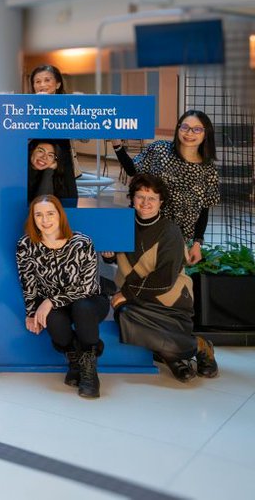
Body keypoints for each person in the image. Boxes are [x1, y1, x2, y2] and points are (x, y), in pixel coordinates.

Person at [103, 175, 218, 383]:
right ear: (132, 198)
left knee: (127, 313)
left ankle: (197, 346)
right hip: (138, 298)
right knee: (125, 316)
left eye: (152, 198)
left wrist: (126, 293)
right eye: (140, 196)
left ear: (161, 202)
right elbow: (115, 259)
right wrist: (108, 255)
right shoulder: (122, 223)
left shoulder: (170, 231)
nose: (145, 203)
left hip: (169, 300)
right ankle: (173, 355)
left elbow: (165, 279)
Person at [15, 196, 107, 398]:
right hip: (57, 307)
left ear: (60, 216)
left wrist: (50, 301)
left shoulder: (82, 242)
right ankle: (76, 361)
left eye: (50, 213)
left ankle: (90, 375)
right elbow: (28, 282)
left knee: (82, 308)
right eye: (38, 215)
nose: (45, 220)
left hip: (90, 301)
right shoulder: (26, 245)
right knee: (54, 321)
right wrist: (32, 312)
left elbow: (88, 287)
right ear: (33, 218)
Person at [110, 110, 220, 266]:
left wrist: (197, 243)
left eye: (197, 129)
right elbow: (132, 170)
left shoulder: (209, 169)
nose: (189, 133)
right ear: (178, 129)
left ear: (205, 133)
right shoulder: (160, 150)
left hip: (176, 239)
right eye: (185, 127)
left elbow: (204, 209)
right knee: (135, 273)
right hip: (144, 229)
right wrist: (116, 144)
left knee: (167, 279)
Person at [28, 64, 81, 179]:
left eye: (47, 80)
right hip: (35, 166)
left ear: (58, 84)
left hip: (63, 165)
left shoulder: (69, 106)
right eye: (37, 81)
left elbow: (85, 138)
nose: (42, 85)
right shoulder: (26, 108)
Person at [26, 139, 77, 207]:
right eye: (40, 151)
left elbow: (43, 205)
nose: (44, 157)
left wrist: (48, 171)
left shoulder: (56, 176)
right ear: (31, 152)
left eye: (50, 155)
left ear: (54, 161)